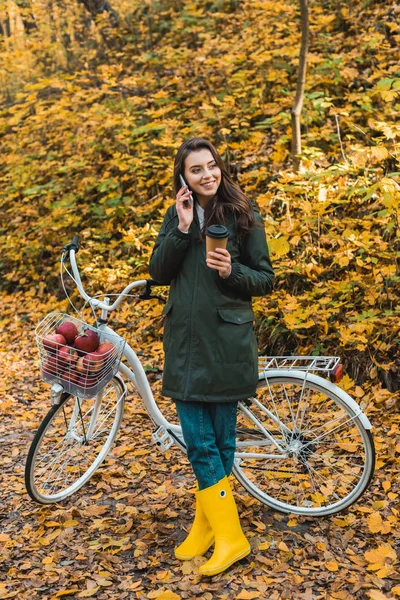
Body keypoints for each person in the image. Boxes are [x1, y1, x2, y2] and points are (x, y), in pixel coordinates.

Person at [149, 137, 274, 576]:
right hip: (184, 344)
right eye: (196, 169)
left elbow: (264, 278)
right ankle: (213, 530)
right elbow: (159, 272)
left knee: (217, 444)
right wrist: (183, 228)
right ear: (183, 177)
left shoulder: (241, 215)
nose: (207, 175)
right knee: (203, 444)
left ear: (220, 168)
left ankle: (227, 537)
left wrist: (231, 271)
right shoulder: (176, 215)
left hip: (225, 344)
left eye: (211, 166)